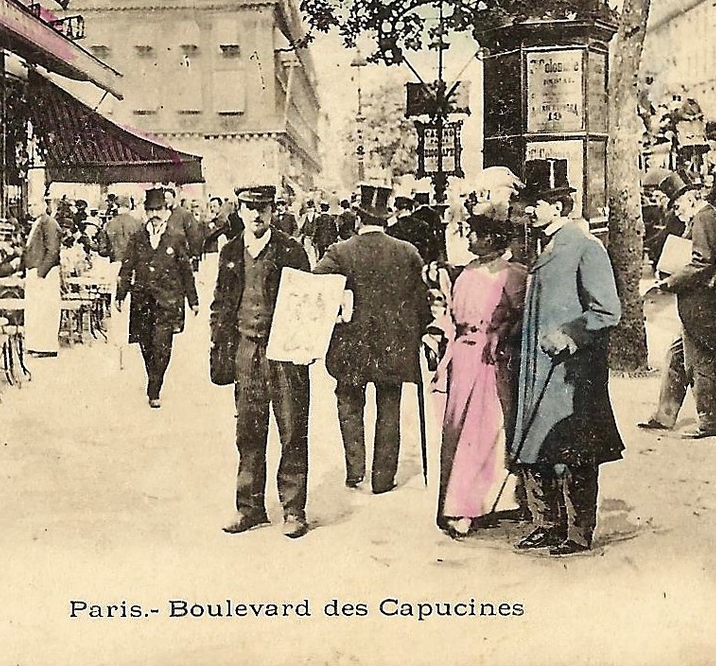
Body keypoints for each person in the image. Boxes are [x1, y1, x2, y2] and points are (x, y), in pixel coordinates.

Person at [508, 158, 623, 557]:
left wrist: (569, 335)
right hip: (538, 368)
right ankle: (547, 524)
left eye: (536, 203)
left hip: (572, 370)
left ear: (557, 206)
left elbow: (608, 310)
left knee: (575, 451)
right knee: (537, 446)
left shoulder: (585, 248)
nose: (528, 210)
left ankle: (578, 530)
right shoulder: (545, 248)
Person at [312, 182, 432, 494]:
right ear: (386, 217)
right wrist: (417, 333)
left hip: (351, 345)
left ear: (358, 216)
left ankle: (355, 471)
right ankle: (383, 478)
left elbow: (315, 288)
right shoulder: (407, 252)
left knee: (349, 404)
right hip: (394, 346)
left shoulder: (339, 253)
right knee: (389, 407)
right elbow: (421, 303)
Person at [211, 185, 314, 538]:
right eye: (249, 207)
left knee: (291, 428)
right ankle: (250, 508)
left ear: (272, 210)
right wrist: (220, 345)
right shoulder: (230, 251)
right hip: (245, 351)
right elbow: (220, 304)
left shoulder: (291, 250)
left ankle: (293, 510)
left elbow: (307, 301)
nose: (256, 214)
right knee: (248, 431)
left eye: (263, 208)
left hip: (284, 353)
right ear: (239, 209)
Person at [433, 204, 528, 537]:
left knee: (485, 430)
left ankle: (471, 506)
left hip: (492, 361)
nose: (468, 238)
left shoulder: (512, 273)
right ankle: (456, 502)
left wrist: (500, 335)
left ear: (490, 238)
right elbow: (451, 317)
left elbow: (522, 317)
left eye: (474, 233)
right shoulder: (467, 271)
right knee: (457, 431)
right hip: (462, 357)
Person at [640, 172, 716, 438]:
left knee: (701, 363)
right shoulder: (704, 217)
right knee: (676, 357)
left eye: (677, 204)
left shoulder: (703, 219)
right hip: (701, 306)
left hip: (702, 308)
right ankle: (665, 415)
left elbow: (701, 262)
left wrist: (668, 283)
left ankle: (710, 423)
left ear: (690, 198)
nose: (676, 210)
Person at [117, 187, 199, 408]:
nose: (154, 214)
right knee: (145, 344)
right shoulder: (137, 238)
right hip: (142, 300)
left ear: (166, 211)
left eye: (158, 209)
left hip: (168, 300)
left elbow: (186, 270)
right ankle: (153, 376)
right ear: (145, 211)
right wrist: (120, 293)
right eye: (150, 209)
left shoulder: (175, 238)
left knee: (162, 345)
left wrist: (193, 300)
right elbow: (127, 266)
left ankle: (155, 387)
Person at [23, 201, 63, 358]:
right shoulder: (38, 222)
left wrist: (41, 273)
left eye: (34, 205)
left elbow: (53, 251)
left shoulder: (49, 223)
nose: (30, 207)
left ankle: (46, 346)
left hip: (45, 274)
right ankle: (35, 344)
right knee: (36, 310)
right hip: (36, 271)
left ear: (44, 205)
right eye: (30, 205)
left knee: (45, 310)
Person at [104, 196, 142, 262]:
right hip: (134, 261)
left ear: (116, 206)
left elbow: (104, 248)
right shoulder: (138, 222)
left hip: (117, 261)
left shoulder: (110, 224)